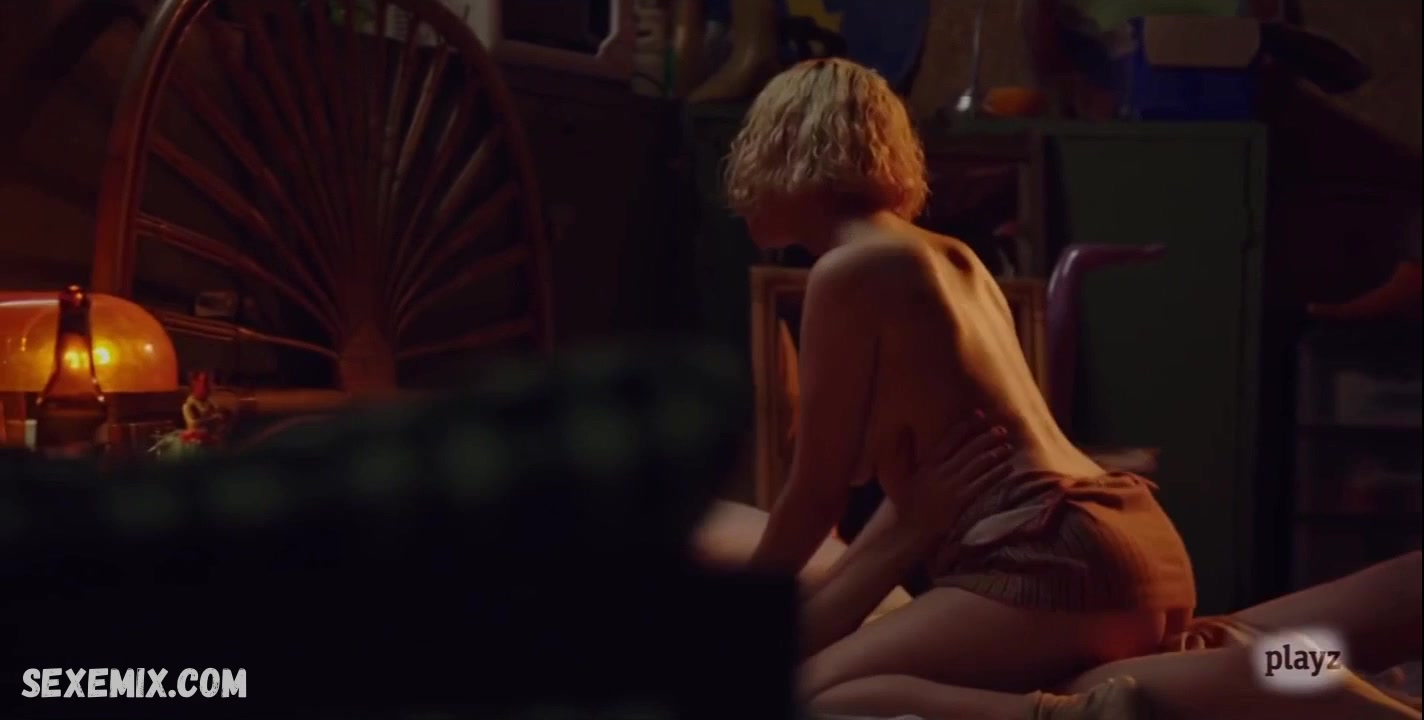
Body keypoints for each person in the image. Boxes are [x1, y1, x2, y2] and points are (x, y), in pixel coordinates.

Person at [716, 55, 1197, 707]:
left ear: (783, 154)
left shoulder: (847, 271)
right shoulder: (951, 257)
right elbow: (904, 513)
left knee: (804, 702)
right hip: (1136, 543)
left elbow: (815, 496)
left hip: (1050, 561)